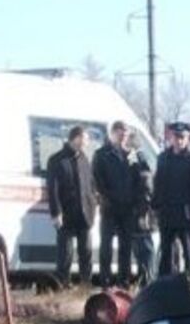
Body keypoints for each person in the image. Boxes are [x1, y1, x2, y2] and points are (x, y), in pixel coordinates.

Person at [152, 122, 190, 277]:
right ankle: (164, 284)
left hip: (186, 212)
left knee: (189, 253)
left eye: (182, 137)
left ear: (187, 139)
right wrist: (155, 207)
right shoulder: (163, 158)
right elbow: (158, 183)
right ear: (171, 138)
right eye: (176, 137)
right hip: (167, 212)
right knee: (166, 253)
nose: (179, 140)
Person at [45, 126, 97, 286]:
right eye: (85, 138)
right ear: (76, 138)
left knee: (86, 253)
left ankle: (85, 285)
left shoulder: (84, 159)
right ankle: (63, 285)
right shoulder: (56, 160)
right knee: (65, 255)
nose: (87, 142)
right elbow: (52, 189)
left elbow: (90, 186)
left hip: (84, 215)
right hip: (66, 215)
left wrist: (93, 206)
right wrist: (56, 213)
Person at [92, 121, 136, 287]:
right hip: (109, 207)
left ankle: (124, 282)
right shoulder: (102, 154)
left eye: (125, 134)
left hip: (127, 208)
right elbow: (96, 180)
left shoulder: (131, 154)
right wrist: (107, 198)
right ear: (112, 133)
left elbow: (138, 178)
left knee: (126, 247)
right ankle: (105, 281)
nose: (123, 136)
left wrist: (136, 201)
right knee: (106, 246)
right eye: (120, 133)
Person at [129, 139, 157, 287]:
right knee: (144, 249)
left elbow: (145, 191)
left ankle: (145, 280)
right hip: (140, 213)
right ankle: (146, 279)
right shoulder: (142, 162)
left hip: (139, 214)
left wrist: (142, 214)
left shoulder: (138, 162)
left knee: (143, 249)